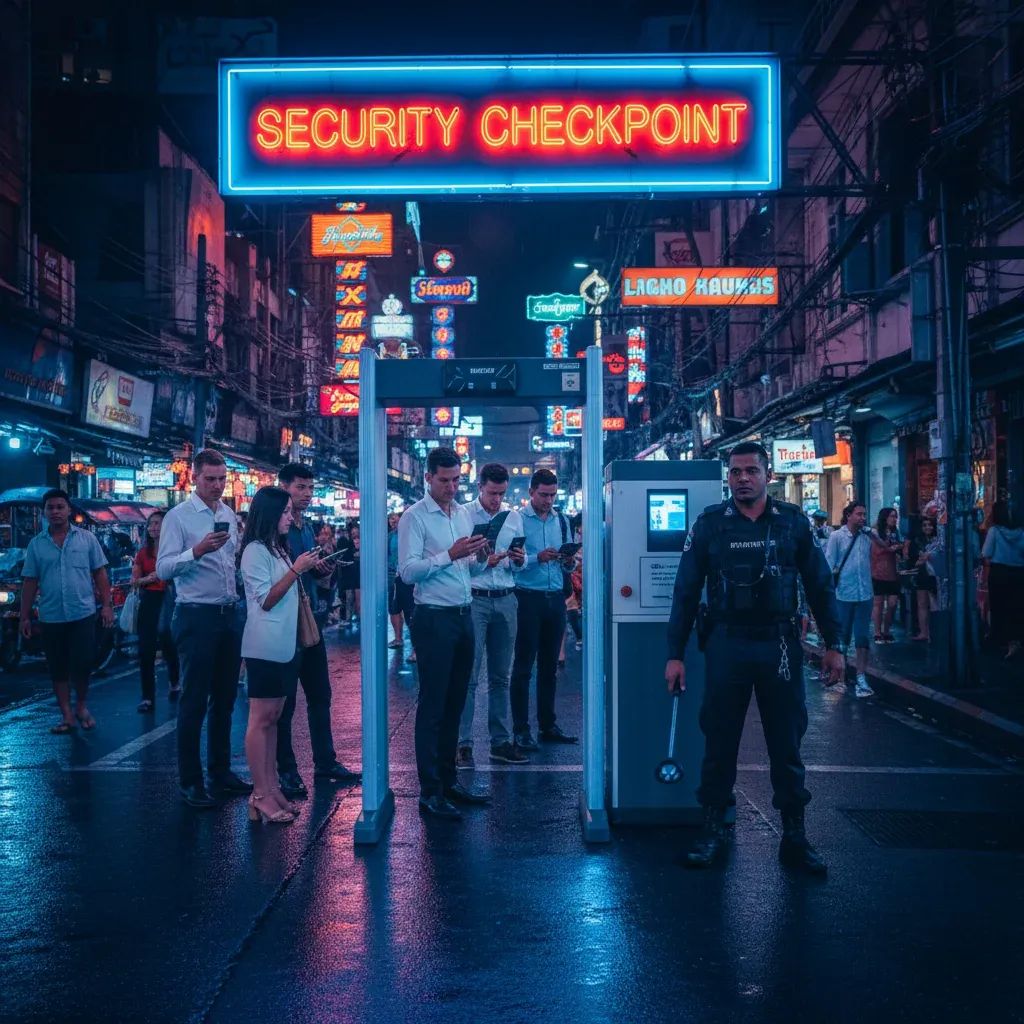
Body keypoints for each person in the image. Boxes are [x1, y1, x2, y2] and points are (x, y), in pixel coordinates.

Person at [665, 442, 845, 876]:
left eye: (750, 470)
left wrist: (835, 645)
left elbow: (820, 586)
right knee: (719, 741)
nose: (742, 478)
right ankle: (715, 829)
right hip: (726, 642)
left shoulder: (792, 523)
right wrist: (675, 654)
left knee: (786, 743)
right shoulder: (709, 524)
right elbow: (686, 593)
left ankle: (795, 837)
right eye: (735, 472)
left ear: (768, 475)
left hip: (779, 644)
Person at [398, 446, 493, 820]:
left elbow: (466, 569)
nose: (452, 487)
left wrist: (480, 556)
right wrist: (448, 556)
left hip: (462, 614)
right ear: (428, 478)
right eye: (444, 480)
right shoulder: (414, 518)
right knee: (434, 703)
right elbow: (407, 572)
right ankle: (430, 790)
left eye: (456, 480)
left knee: (456, 701)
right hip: (433, 618)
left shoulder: (461, 515)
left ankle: (450, 780)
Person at [157, 448, 251, 809]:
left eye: (221, 479)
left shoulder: (228, 514)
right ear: (194, 478)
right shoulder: (179, 518)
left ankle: (220, 771)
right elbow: (165, 569)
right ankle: (190, 780)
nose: (216, 486)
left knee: (225, 699)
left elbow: (233, 564)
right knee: (194, 700)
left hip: (228, 614)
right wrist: (195, 552)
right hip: (196, 615)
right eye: (210, 479)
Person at [276, 463, 361, 800]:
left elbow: (308, 573)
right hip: (284, 621)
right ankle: (287, 771)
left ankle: (325, 762)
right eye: (300, 488)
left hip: (310, 618)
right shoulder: (276, 530)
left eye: (310, 489)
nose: (307, 495)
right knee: (285, 703)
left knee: (320, 695)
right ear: (284, 487)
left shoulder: (307, 528)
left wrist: (322, 569)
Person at [240, 486, 322, 824]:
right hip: (265, 647)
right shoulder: (255, 552)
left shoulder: (276, 549)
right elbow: (266, 599)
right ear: (271, 514)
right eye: (286, 512)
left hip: (285, 645)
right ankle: (259, 795)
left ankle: (271, 788)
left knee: (274, 719)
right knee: (261, 720)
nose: (291, 517)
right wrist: (296, 569)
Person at [20, 489, 114, 733]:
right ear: (45, 512)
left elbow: (100, 573)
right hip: (51, 616)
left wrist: (106, 606)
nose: (55, 512)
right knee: (57, 667)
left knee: (82, 664)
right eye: (50, 507)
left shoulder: (86, 540)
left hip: (82, 613)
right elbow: (29, 581)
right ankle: (67, 715)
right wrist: (25, 616)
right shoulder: (36, 545)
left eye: (60, 507)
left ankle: (81, 705)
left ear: (68, 509)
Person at [457, 463, 529, 767]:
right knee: (468, 677)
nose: (496, 500)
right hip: (475, 599)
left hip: (507, 598)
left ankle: (501, 741)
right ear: (480, 487)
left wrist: (519, 559)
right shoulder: (463, 515)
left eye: (501, 493)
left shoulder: (513, 518)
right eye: (491, 493)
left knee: (501, 676)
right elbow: (459, 561)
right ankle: (463, 744)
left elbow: (520, 565)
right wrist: (486, 560)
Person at [510, 469, 578, 749]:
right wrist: (537, 558)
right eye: (544, 495)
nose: (549, 500)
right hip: (527, 598)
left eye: (552, 495)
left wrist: (568, 561)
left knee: (549, 667)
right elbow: (512, 560)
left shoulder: (562, 520)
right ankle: (520, 729)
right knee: (524, 666)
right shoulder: (517, 521)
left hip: (555, 599)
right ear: (531, 492)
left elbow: (570, 564)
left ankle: (548, 724)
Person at [825, 501, 889, 698]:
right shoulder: (837, 536)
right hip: (844, 594)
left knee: (862, 637)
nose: (862, 518)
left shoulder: (866, 536)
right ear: (849, 515)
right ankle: (842, 676)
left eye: (864, 514)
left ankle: (861, 676)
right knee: (843, 638)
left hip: (865, 594)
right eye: (859, 514)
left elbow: (883, 546)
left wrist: (870, 532)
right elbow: (829, 563)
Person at [132, 510, 180, 712]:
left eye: (158, 524)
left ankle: (175, 681)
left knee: (168, 640)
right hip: (149, 600)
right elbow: (135, 582)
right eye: (151, 524)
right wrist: (149, 578)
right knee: (146, 650)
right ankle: (147, 697)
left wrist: (165, 575)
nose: (153, 528)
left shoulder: (175, 550)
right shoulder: (143, 553)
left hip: (170, 599)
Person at [981, 502, 1024, 659]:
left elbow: (986, 552)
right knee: (1016, 607)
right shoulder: (1021, 532)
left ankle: (1000, 639)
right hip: (1018, 572)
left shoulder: (994, 531)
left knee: (999, 606)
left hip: (999, 572)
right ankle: (1015, 640)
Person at [871, 507, 905, 644]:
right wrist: (890, 548)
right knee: (878, 603)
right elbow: (876, 550)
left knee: (892, 603)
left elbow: (901, 547)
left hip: (893, 573)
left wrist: (900, 548)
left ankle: (886, 629)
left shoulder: (896, 533)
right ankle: (877, 631)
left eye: (895, 516)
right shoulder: (875, 532)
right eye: (892, 516)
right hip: (878, 571)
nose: (894, 519)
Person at [387, 511, 416, 658]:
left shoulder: (412, 535)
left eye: (395, 519)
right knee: (393, 608)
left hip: (408, 578)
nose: (393, 521)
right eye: (391, 519)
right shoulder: (390, 536)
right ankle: (398, 639)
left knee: (411, 612)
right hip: (393, 577)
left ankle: (416, 649)